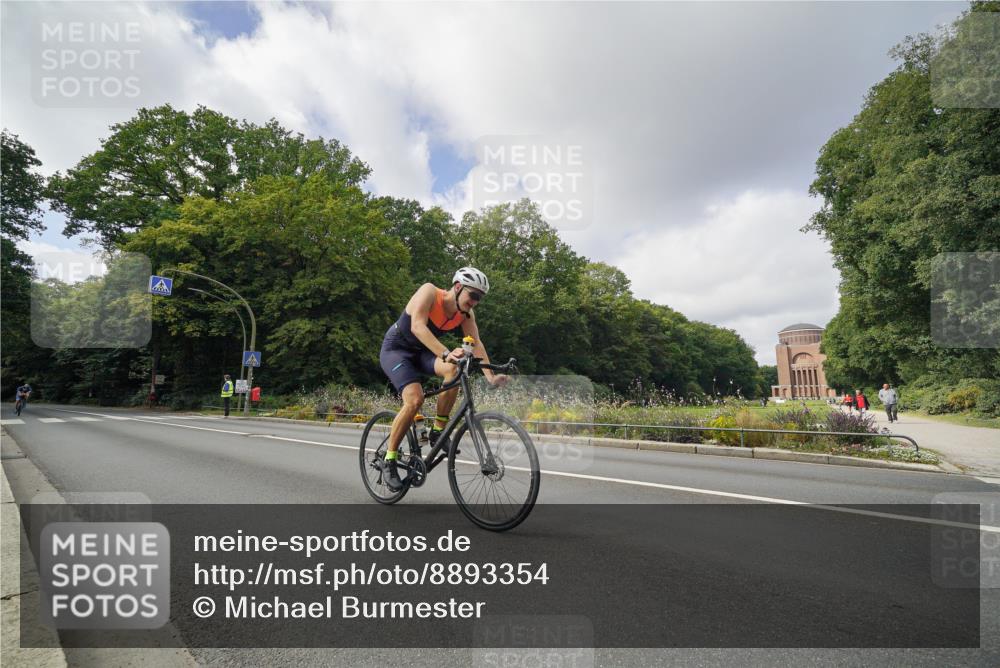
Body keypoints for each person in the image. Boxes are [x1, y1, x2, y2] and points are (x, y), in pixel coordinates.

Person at [377, 267, 509, 491]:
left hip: (422, 354)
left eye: (480, 298)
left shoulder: (465, 313)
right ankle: (389, 460)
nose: (475, 302)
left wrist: (490, 377)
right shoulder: (430, 292)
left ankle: (438, 431)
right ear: (458, 287)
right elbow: (418, 327)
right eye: (473, 296)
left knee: (454, 371)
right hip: (396, 350)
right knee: (415, 400)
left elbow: (476, 343)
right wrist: (447, 353)